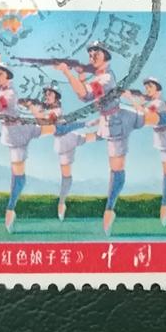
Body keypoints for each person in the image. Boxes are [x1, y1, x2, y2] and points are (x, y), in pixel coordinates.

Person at [55, 41, 144, 235]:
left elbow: (85, 94)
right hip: (107, 120)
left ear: (106, 56)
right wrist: (79, 75)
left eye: (97, 53)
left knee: (116, 169)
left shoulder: (106, 78)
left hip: (118, 121)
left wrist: (67, 72)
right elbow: (83, 95)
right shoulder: (98, 76)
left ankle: (110, 208)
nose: (92, 56)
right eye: (90, 54)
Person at [0, 64, 53, 233]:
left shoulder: (9, 93)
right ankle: (11, 209)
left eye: (0, 74)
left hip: (18, 132)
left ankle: (10, 209)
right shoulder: (2, 92)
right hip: (13, 132)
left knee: (51, 129)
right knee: (18, 172)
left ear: (8, 76)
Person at [25, 85, 98, 221]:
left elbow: (52, 124)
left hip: (66, 139)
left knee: (91, 138)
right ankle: (62, 203)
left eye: (50, 94)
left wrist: (34, 112)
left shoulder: (56, 111)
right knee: (67, 173)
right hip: (64, 141)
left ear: (56, 97)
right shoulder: (48, 109)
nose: (47, 96)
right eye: (46, 94)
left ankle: (61, 203)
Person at [128, 77, 166, 226]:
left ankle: (165, 204)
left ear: (158, 89)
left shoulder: (159, 103)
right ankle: (164, 204)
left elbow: (147, 117)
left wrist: (133, 101)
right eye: (146, 87)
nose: (147, 90)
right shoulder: (151, 102)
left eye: (150, 87)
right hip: (160, 136)